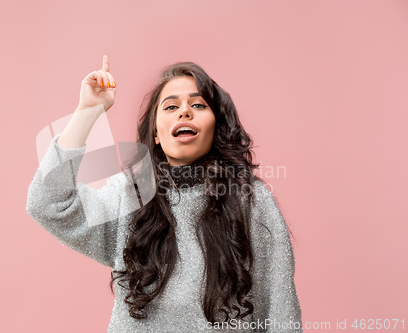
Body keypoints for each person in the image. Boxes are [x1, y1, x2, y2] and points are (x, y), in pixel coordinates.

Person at [26, 55, 303, 332]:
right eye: (171, 106)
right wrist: (87, 112)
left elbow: (280, 309)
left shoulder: (249, 199)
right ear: (156, 133)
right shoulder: (130, 194)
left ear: (216, 125)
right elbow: (49, 204)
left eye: (197, 104)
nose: (184, 112)